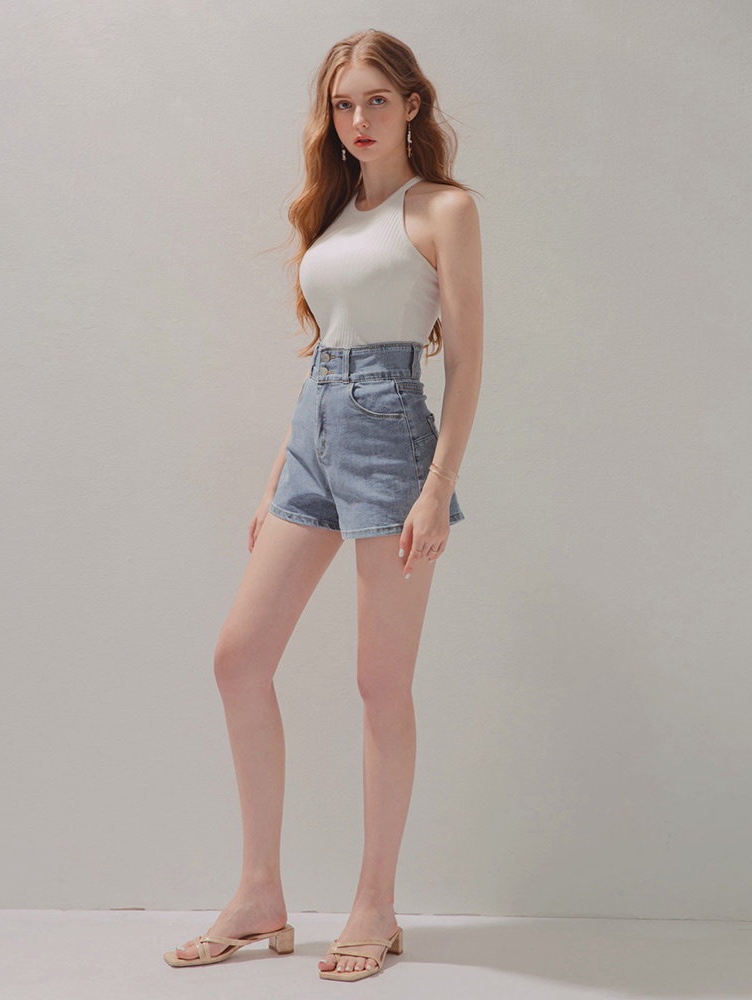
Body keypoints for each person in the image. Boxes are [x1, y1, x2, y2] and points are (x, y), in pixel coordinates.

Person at [163, 27, 483, 983]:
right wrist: (279, 475)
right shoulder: (335, 209)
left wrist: (437, 488)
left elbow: (467, 361)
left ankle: (375, 904)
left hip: (393, 439)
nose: (358, 119)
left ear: (413, 105)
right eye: (344, 104)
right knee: (238, 659)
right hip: (313, 434)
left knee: (380, 686)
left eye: (377, 100)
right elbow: (326, 349)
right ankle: (260, 891)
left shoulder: (445, 208)